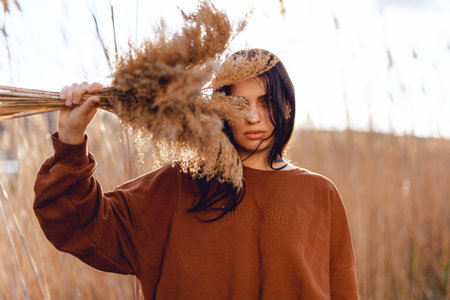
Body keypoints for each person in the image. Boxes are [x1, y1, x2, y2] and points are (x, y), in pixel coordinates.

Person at [34, 49, 359, 299]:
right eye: (239, 103)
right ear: (218, 109)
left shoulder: (319, 195)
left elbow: (343, 290)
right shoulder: (179, 185)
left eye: (266, 101)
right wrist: (71, 139)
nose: (253, 117)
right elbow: (82, 224)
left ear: (288, 106)